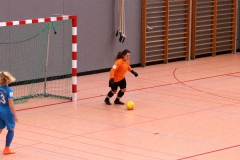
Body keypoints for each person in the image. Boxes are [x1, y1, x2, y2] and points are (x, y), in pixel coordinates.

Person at [0, 71, 18, 154]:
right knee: (11, 129)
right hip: (7, 111)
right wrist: (15, 115)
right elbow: (11, 103)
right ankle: (7, 148)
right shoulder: (9, 90)